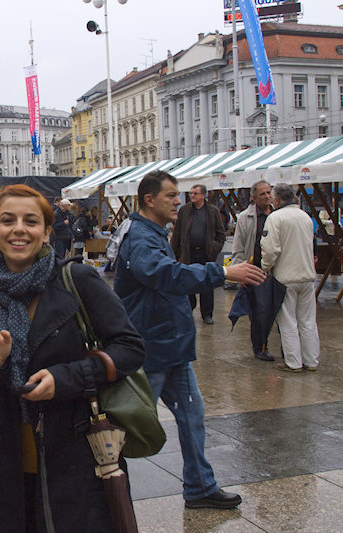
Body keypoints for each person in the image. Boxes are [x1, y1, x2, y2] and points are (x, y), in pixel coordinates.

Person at [0, 184, 146, 532]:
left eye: (31, 221)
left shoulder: (77, 280)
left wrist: (64, 379)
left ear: (46, 231)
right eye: (8, 221)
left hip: (78, 462)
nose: (19, 229)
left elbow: (130, 348)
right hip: (14, 467)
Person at [114, 171, 265, 509]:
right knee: (128, 424)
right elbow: (164, 274)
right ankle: (104, 495)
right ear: (149, 199)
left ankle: (200, 486)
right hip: (152, 348)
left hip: (171, 346)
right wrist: (222, 271)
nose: (178, 201)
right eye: (170, 195)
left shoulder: (153, 232)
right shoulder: (141, 236)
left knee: (192, 416)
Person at [261, 183, 320, 373]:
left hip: (285, 277)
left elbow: (270, 249)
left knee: (287, 321)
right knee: (308, 321)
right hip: (307, 275)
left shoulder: (275, 218)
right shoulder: (305, 217)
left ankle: (293, 362)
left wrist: (265, 267)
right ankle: (311, 361)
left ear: (277, 200)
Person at [231, 180, 275, 361]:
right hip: (255, 270)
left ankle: (287, 349)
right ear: (254, 198)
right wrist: (239, 271)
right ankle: (260, 347)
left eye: (268, 192)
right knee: (258, 314)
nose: (267, 196)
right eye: (262, 194)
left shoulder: (277, 214)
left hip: (276, 271)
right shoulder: (246, 217)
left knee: (278, 312)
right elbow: (238, 246)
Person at [170, 184, 226, 325]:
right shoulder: (185, 210)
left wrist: (214, 248)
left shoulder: (212, 211)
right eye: (191, 193)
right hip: (188, 254)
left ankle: (207, 313)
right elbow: (177, 233)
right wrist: (173, 253)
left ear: (203, 195)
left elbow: (221, 234)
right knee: (188, 282)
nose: (192, 195)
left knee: (207, 284)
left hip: (206, 254)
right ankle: (189, 309)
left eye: (195, 193)